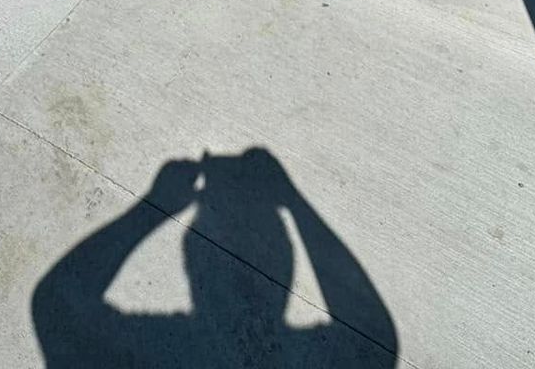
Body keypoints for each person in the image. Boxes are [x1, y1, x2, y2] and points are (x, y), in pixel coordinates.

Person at [32, 147, 398, 367]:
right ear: (286, 272)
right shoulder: (294, 355)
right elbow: (375, 338)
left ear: (191, 268)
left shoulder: (166, 350)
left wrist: (154, 207)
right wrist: (294, 201)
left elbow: (54, 302)